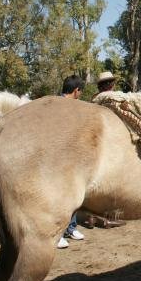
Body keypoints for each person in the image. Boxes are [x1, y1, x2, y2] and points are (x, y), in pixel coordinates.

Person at [57, 75, 86, 249]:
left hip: (72, 156)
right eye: (80, 91)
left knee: (75, 194)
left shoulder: (71, 106)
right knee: (62, 196)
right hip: (61, 158)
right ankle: (58, 233)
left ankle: (71, 227)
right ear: (76, 91)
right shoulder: (60, 107)